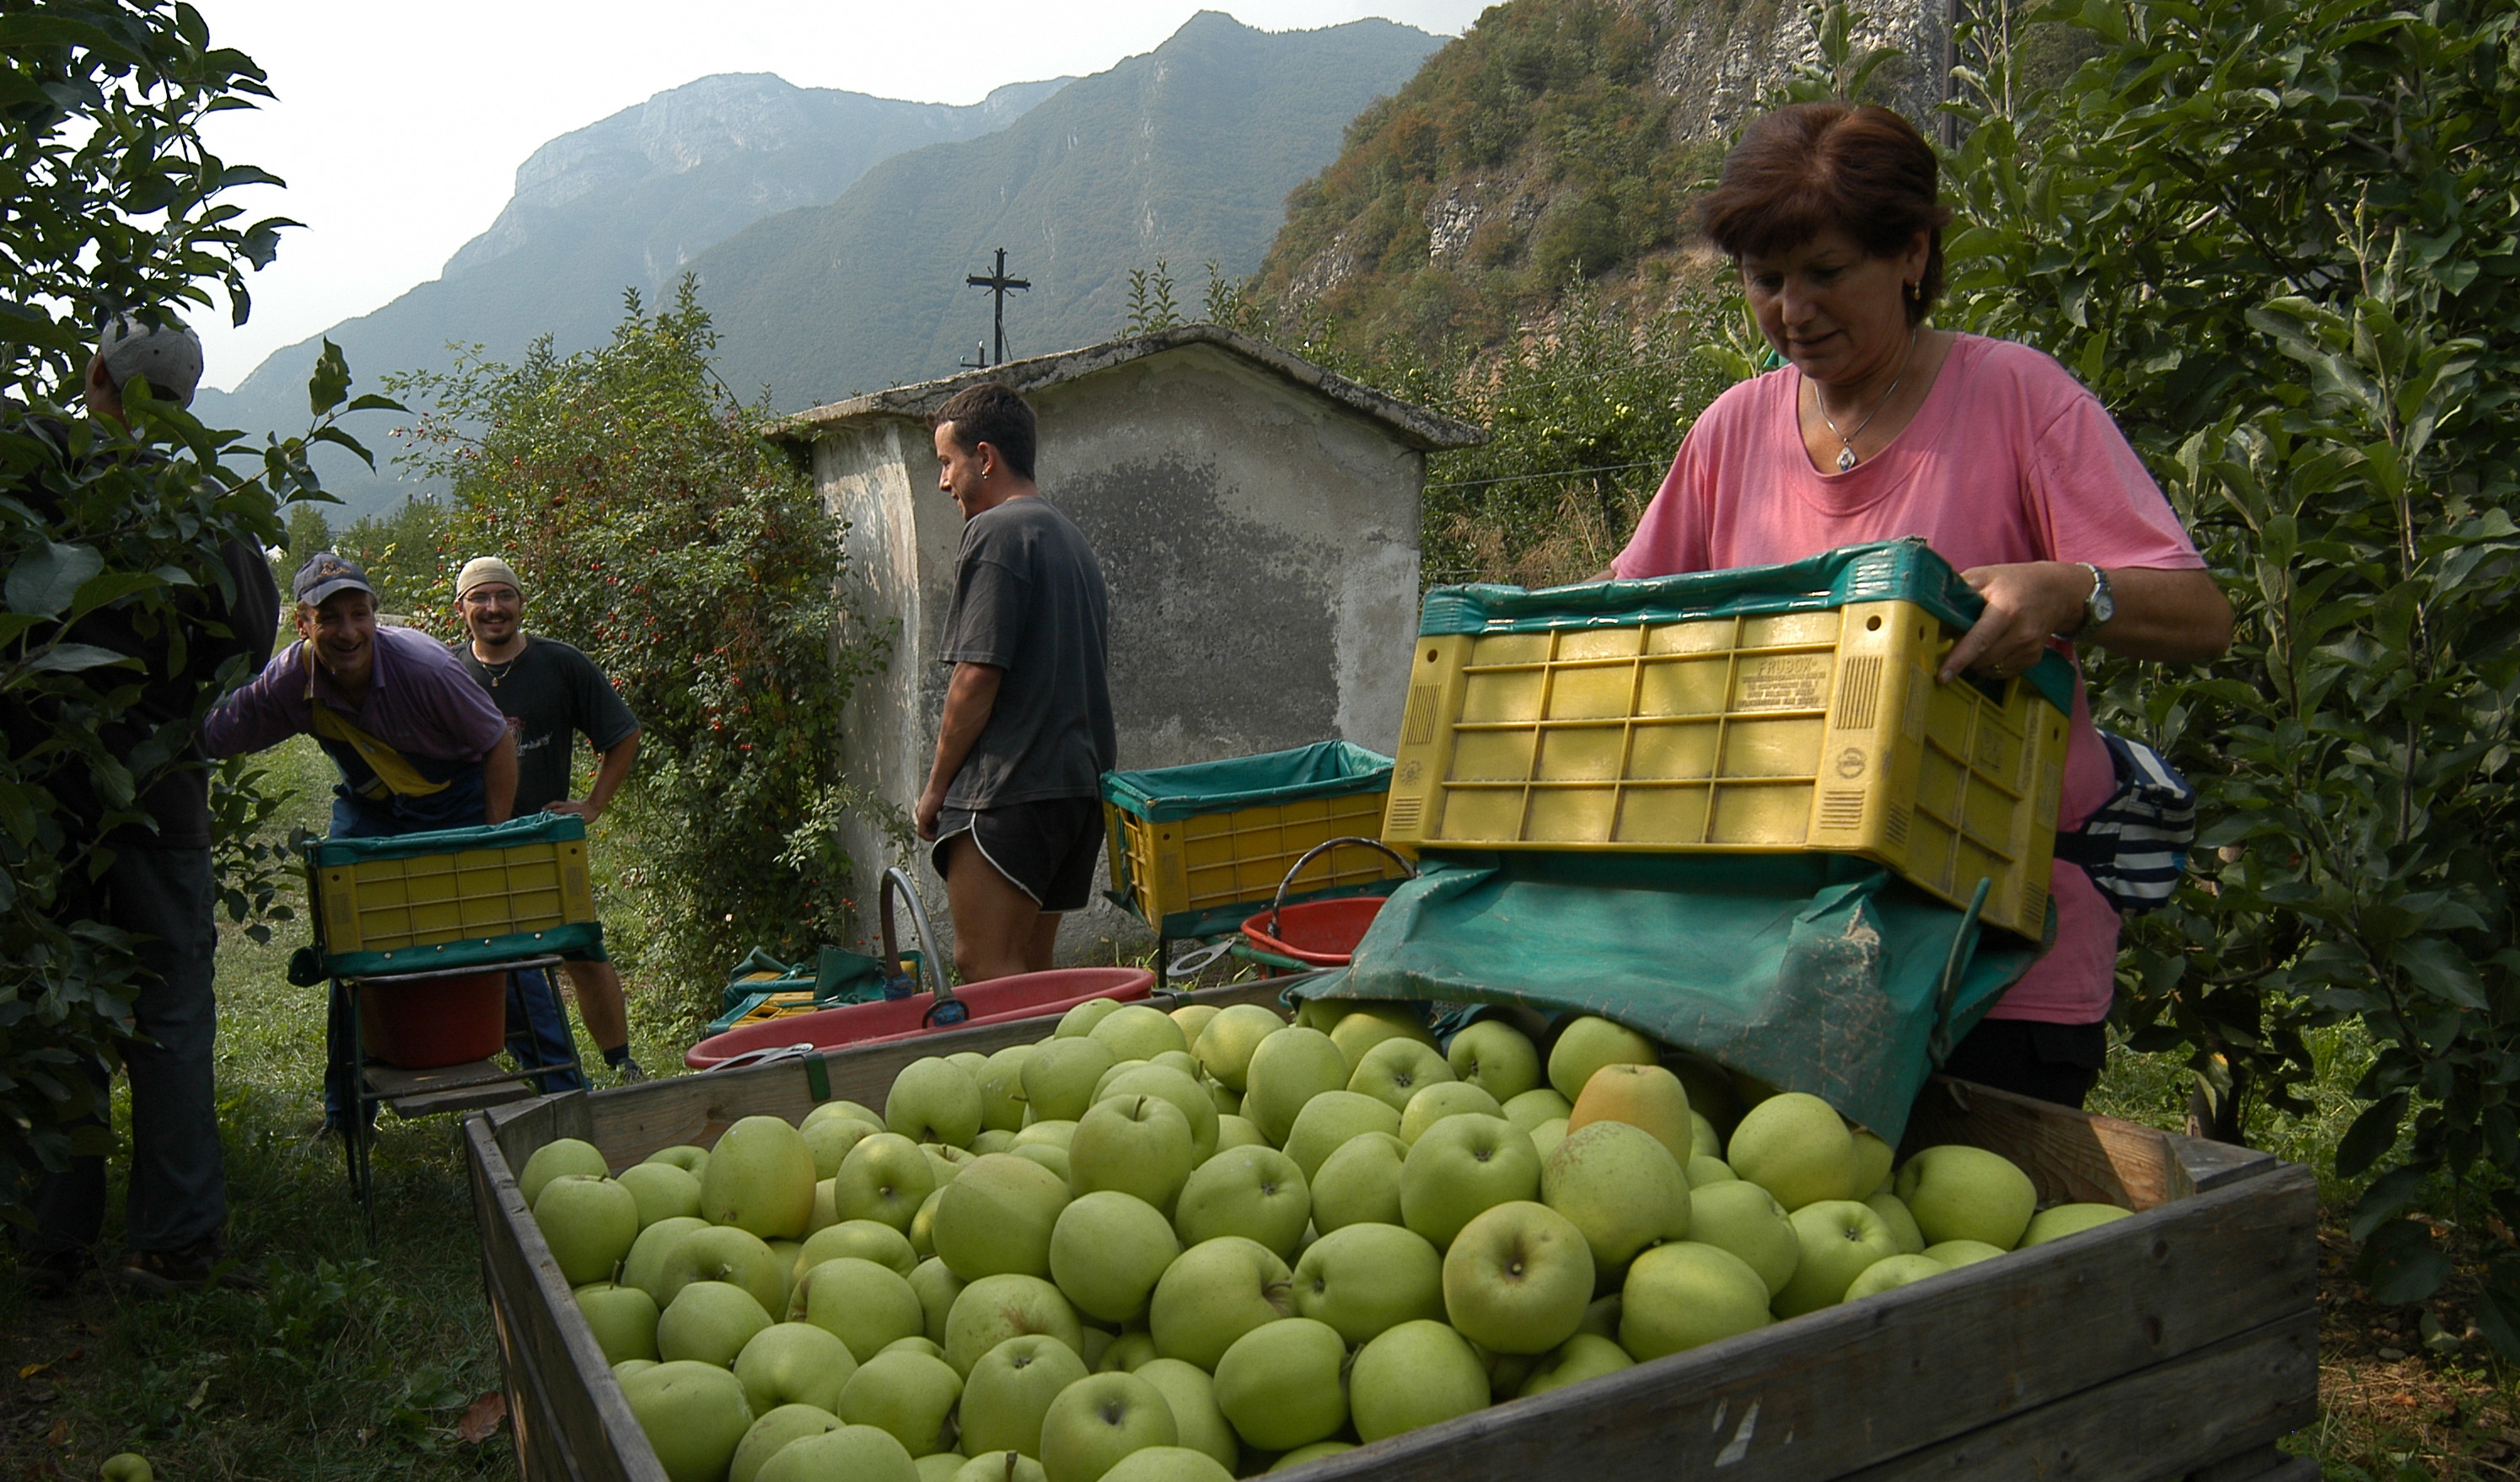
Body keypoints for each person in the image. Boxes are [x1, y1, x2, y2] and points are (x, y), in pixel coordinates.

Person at [1604, 102, 2233, 1109]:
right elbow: (1621, 615)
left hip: (1989, 963)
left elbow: (2201, 614)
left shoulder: (2017, 399)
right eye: (1765, 280)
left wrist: (2073, 590)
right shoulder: (1732, 432)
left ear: (1910, 253)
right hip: (1771, 962)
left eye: (1824, 270)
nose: (1791, 311)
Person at [10, 317, 279, 1297]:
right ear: (191, 407)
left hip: (45, 802)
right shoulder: (203, 505)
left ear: (94, 375)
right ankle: (172, 1243)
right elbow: (253, 638)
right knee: (167, 1009)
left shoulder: (36, 478)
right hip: (162, 796)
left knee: (60, 1007)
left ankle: (51, 1238)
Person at [202, 551, 584, 1126]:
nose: (348, 632)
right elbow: (216, 733)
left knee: (498, 942)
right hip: (370, 809)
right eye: (329, 618)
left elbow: (496, 744)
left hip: (454, 798)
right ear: (302, 625)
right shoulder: (289, 681)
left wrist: (489, 838)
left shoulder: (424, 667)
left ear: (376, 617)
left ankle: (565, 1097)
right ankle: (347, 1116)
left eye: (359, 613)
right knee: (351, 948)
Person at [913, 383, 1116, 982]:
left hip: (1009, 791)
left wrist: (936, 789)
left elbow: (976, 676)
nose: (944, 482)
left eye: (947, 463)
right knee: (1031, 966)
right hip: (1075, 790)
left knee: (984, 966)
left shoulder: (997, 532)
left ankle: (1013, 1083)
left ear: (985, 457)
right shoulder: (1067, 536)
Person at [450, 556, 648, 1082]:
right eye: (480, 598)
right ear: (461, 609)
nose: (494, 608)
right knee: (496, 967)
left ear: (520, 603)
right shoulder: (448, 674)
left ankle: (621, 1061)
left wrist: (593, 804)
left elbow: (622, 735)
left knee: (581, 953)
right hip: (478, 847)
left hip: (546, 840)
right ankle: (518, 1070)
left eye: (504, 596)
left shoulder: (560, 664)